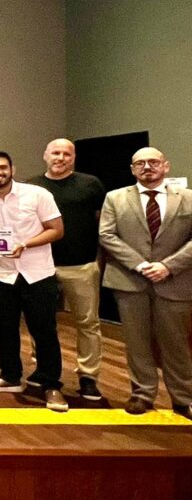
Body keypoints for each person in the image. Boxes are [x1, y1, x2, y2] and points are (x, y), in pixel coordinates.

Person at [0, 151, 67, 412]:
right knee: (6, 329)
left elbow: (57, 229)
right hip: (2, 275)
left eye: (2, 167)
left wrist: (26, 244)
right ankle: (10, 376)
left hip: (38, 273)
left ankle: (51, 385)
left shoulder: (38, 195)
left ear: (12, 168)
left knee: (44, 331)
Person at [99, 147, 192, 419]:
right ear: (132, 170)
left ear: (166, 166)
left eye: (153, 162)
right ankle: (142, 393)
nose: (147, 167)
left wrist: (167, 266)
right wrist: (140, 264)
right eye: (140, 163)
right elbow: (107, 235)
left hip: (176, 281)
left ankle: (183, 398)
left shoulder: (188, 198)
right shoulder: (115, 198)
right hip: (130, 280)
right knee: (136, 341)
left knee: (177, 343)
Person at [29, 139, 107, 401]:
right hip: (41, 266)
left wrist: (99, 260)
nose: (60, 157)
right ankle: (44, 369)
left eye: (66, 154)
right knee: (41, 323)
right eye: (55, 153)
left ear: (73, 158)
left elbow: (102, 226)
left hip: (81, 265)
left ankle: (88, 376)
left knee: (87, 322)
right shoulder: (32, 187)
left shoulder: (91, 185)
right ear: (45, 155)